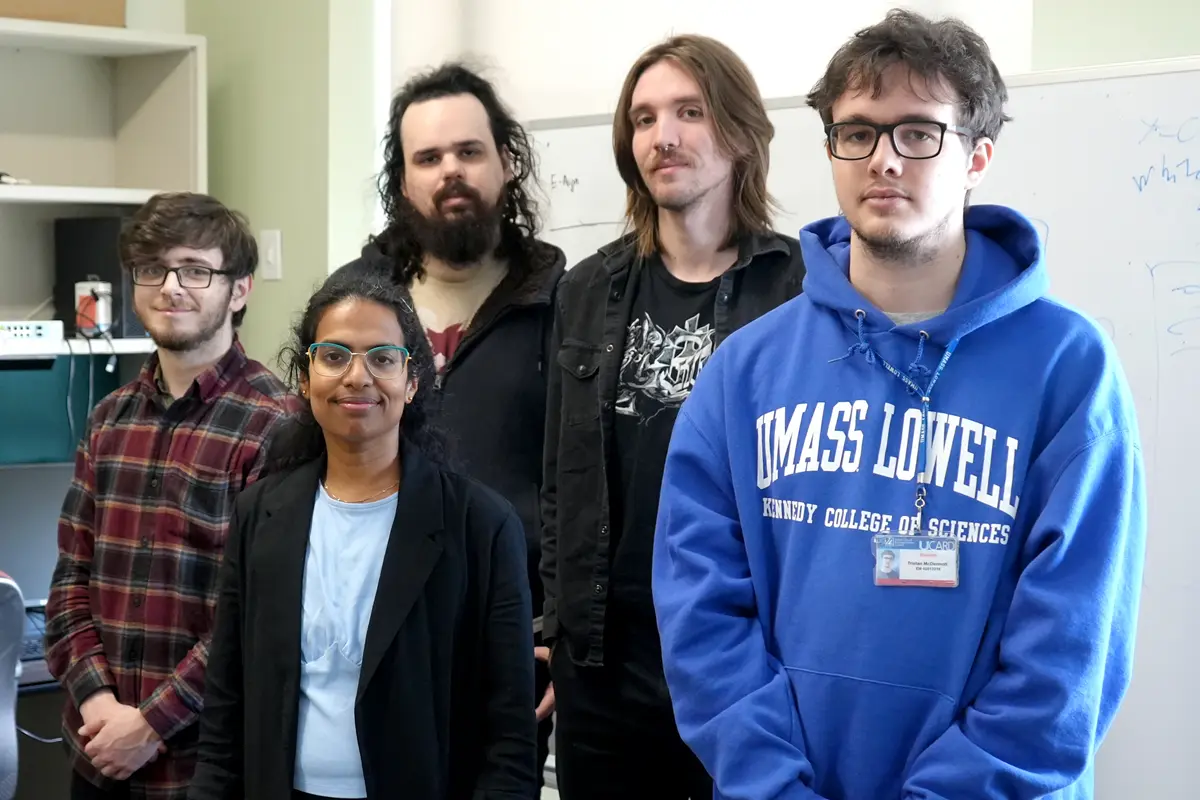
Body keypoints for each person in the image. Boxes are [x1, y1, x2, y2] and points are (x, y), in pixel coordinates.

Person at [652, 10, 1147, 800]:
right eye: (858, 132)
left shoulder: (1070, 370)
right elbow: (701, 621)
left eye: (918, 133)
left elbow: (1068, 657)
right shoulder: (743, 372)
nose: (883, 159)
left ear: (977, 157)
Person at [540, 34, 807, 799]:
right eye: (644, 117)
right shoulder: (585, 289)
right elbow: (558, 478)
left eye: (690, 112)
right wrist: (556, 628)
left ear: (740, 132)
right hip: (603, 663)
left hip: (743, 655)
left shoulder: (798, 289)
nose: (663, 135)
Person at [188, 273, 537, 800]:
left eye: (382, 358)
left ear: (412, 382)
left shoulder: (482, 526)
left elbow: (510, 739)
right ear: (305, 378)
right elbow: (225, 707)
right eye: (334, 356)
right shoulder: (261, 514)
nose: (357, 376)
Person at [333, 62, 565, 779]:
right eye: (428, 158)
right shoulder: (355, 303)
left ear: (506, 161)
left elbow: (586, 484)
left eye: (469, 151)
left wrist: (565, 629)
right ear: (403, 182)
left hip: (511, 640)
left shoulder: (567, 302)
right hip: (369, 636)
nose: (450, 172)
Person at [43, 192, 298, 800]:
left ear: (239, 290)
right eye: (152, 269)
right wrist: (98, 702)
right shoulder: (109, 419)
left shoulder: (278, 425)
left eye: (195, 270)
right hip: (96, 755)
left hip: (202, 771)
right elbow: (70, 580)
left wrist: (150, 725)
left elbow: (262, 616)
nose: (170, 287)